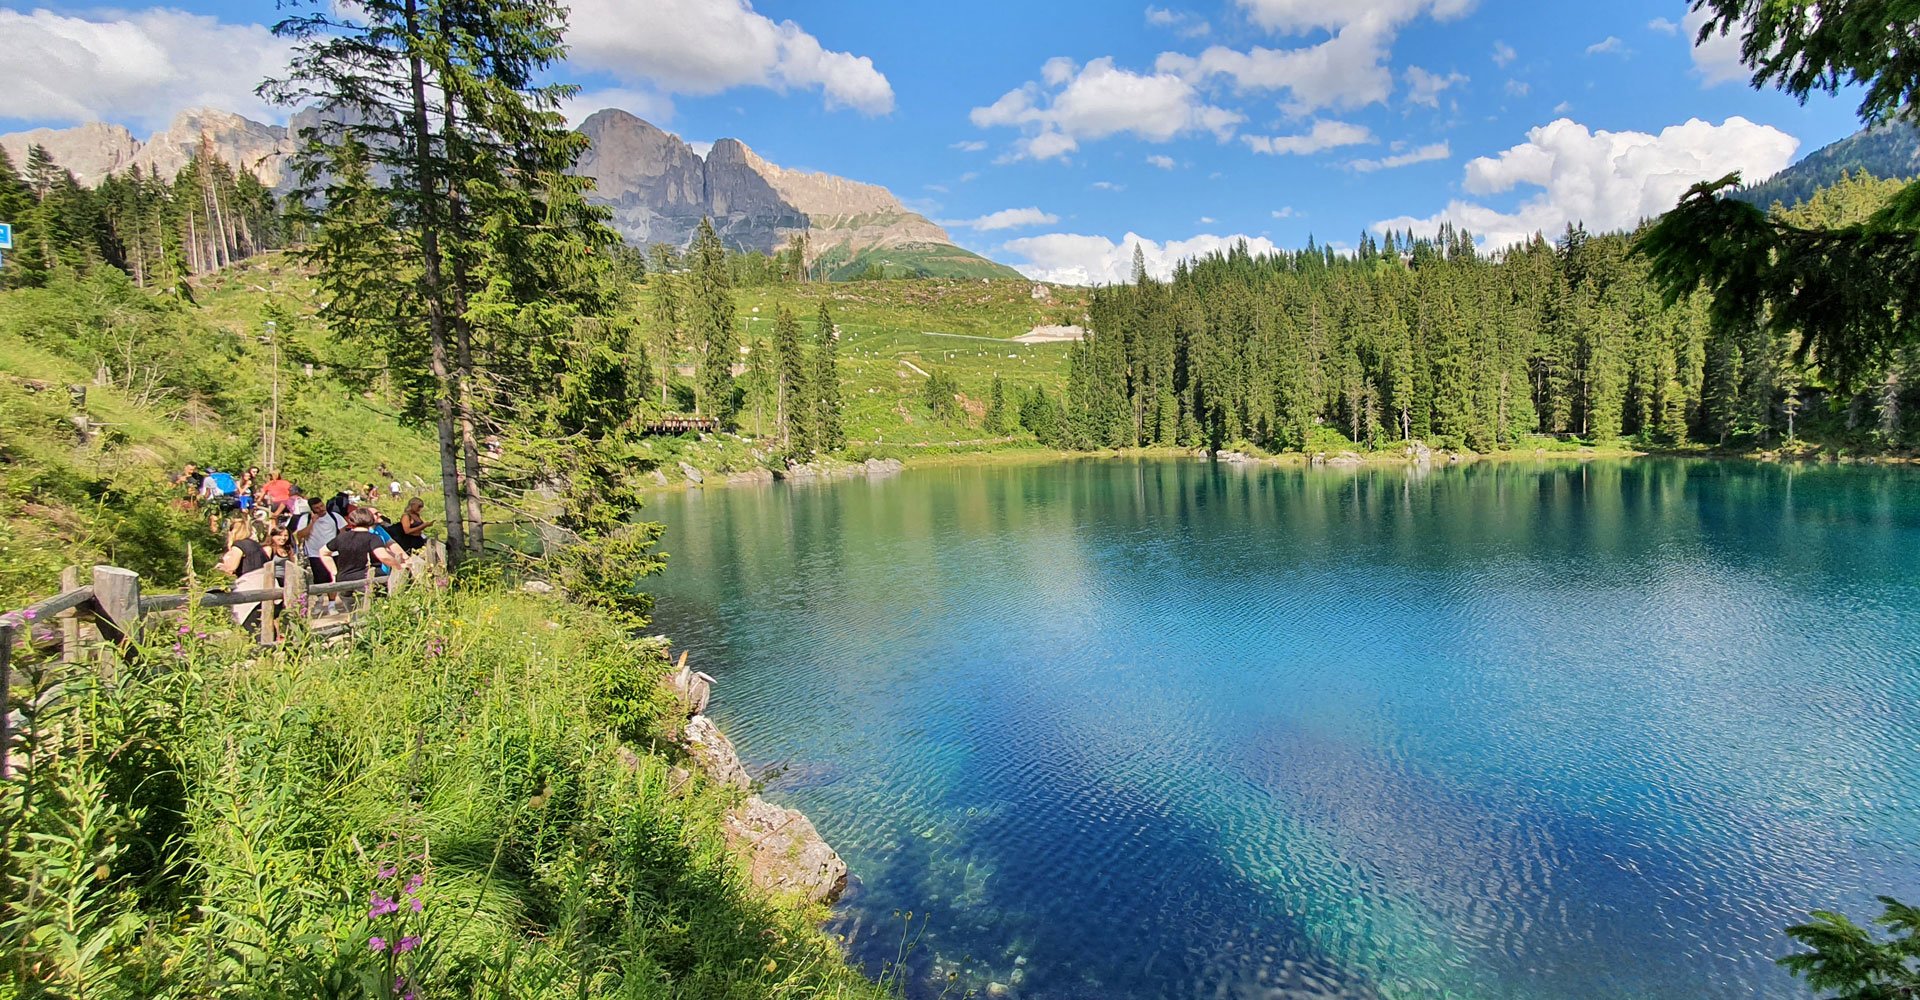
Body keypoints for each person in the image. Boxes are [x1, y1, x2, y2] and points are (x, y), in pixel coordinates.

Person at [320, 508, 404, 591]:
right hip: (368, 580)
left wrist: (334, 572)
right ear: (370, 520)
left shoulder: (341, 537)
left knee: (350, 604)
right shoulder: (373, 538)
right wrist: (398, 566)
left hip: (344, 581)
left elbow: (323, 552)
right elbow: (383, 556)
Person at [214, 518, 275, 632]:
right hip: (266, 583)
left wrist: (219, 567)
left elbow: (231, 568)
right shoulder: (255, 544)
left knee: (251, 623)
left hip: (251, 584)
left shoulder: (239, 546)